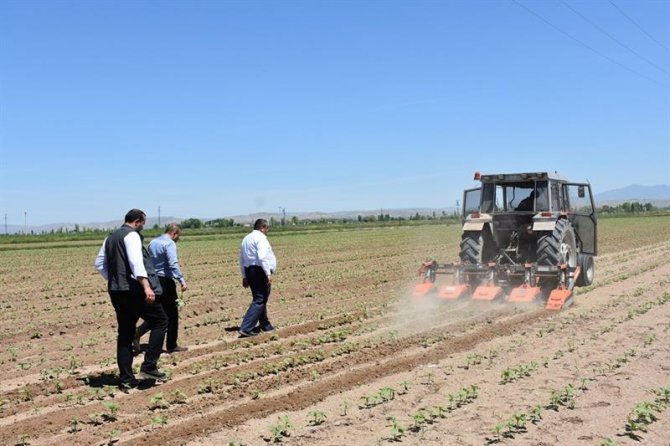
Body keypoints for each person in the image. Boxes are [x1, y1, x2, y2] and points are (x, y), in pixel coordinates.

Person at [95, 209, 168, 389]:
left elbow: (99, 264)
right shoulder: (132, 236)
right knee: (160, 321)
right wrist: (146, 286)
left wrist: (115, 280)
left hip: (116, 290)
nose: (143, 226)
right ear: (137, 221)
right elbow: (137, 263)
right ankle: (149, 366)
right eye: (143, 223)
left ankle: (127, 378)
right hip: (134, 290)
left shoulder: (109, 238)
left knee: (125, 333)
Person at [135, 223, 189, 353]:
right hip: (165, 281)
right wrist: (181, 280)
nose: (178, 239)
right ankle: (171, 345)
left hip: (153, 280)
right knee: (172, 314)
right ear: (174, 233)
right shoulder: (169, 244)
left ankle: (137, 332)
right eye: (178, 236)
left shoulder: (153, 242)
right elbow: (173, 263)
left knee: (159, 312)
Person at [238, 218, 277, 337]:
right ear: (263, 227)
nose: (267, 231)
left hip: (249, 270)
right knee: (260, 299)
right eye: (267, 228)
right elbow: (262, 257)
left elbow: (241, 259)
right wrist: (268, 273)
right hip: (259, 271)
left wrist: (244, 276)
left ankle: (265, 325)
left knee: (260, 298)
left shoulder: (246, 238)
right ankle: (246, 327)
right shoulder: (261, 238)